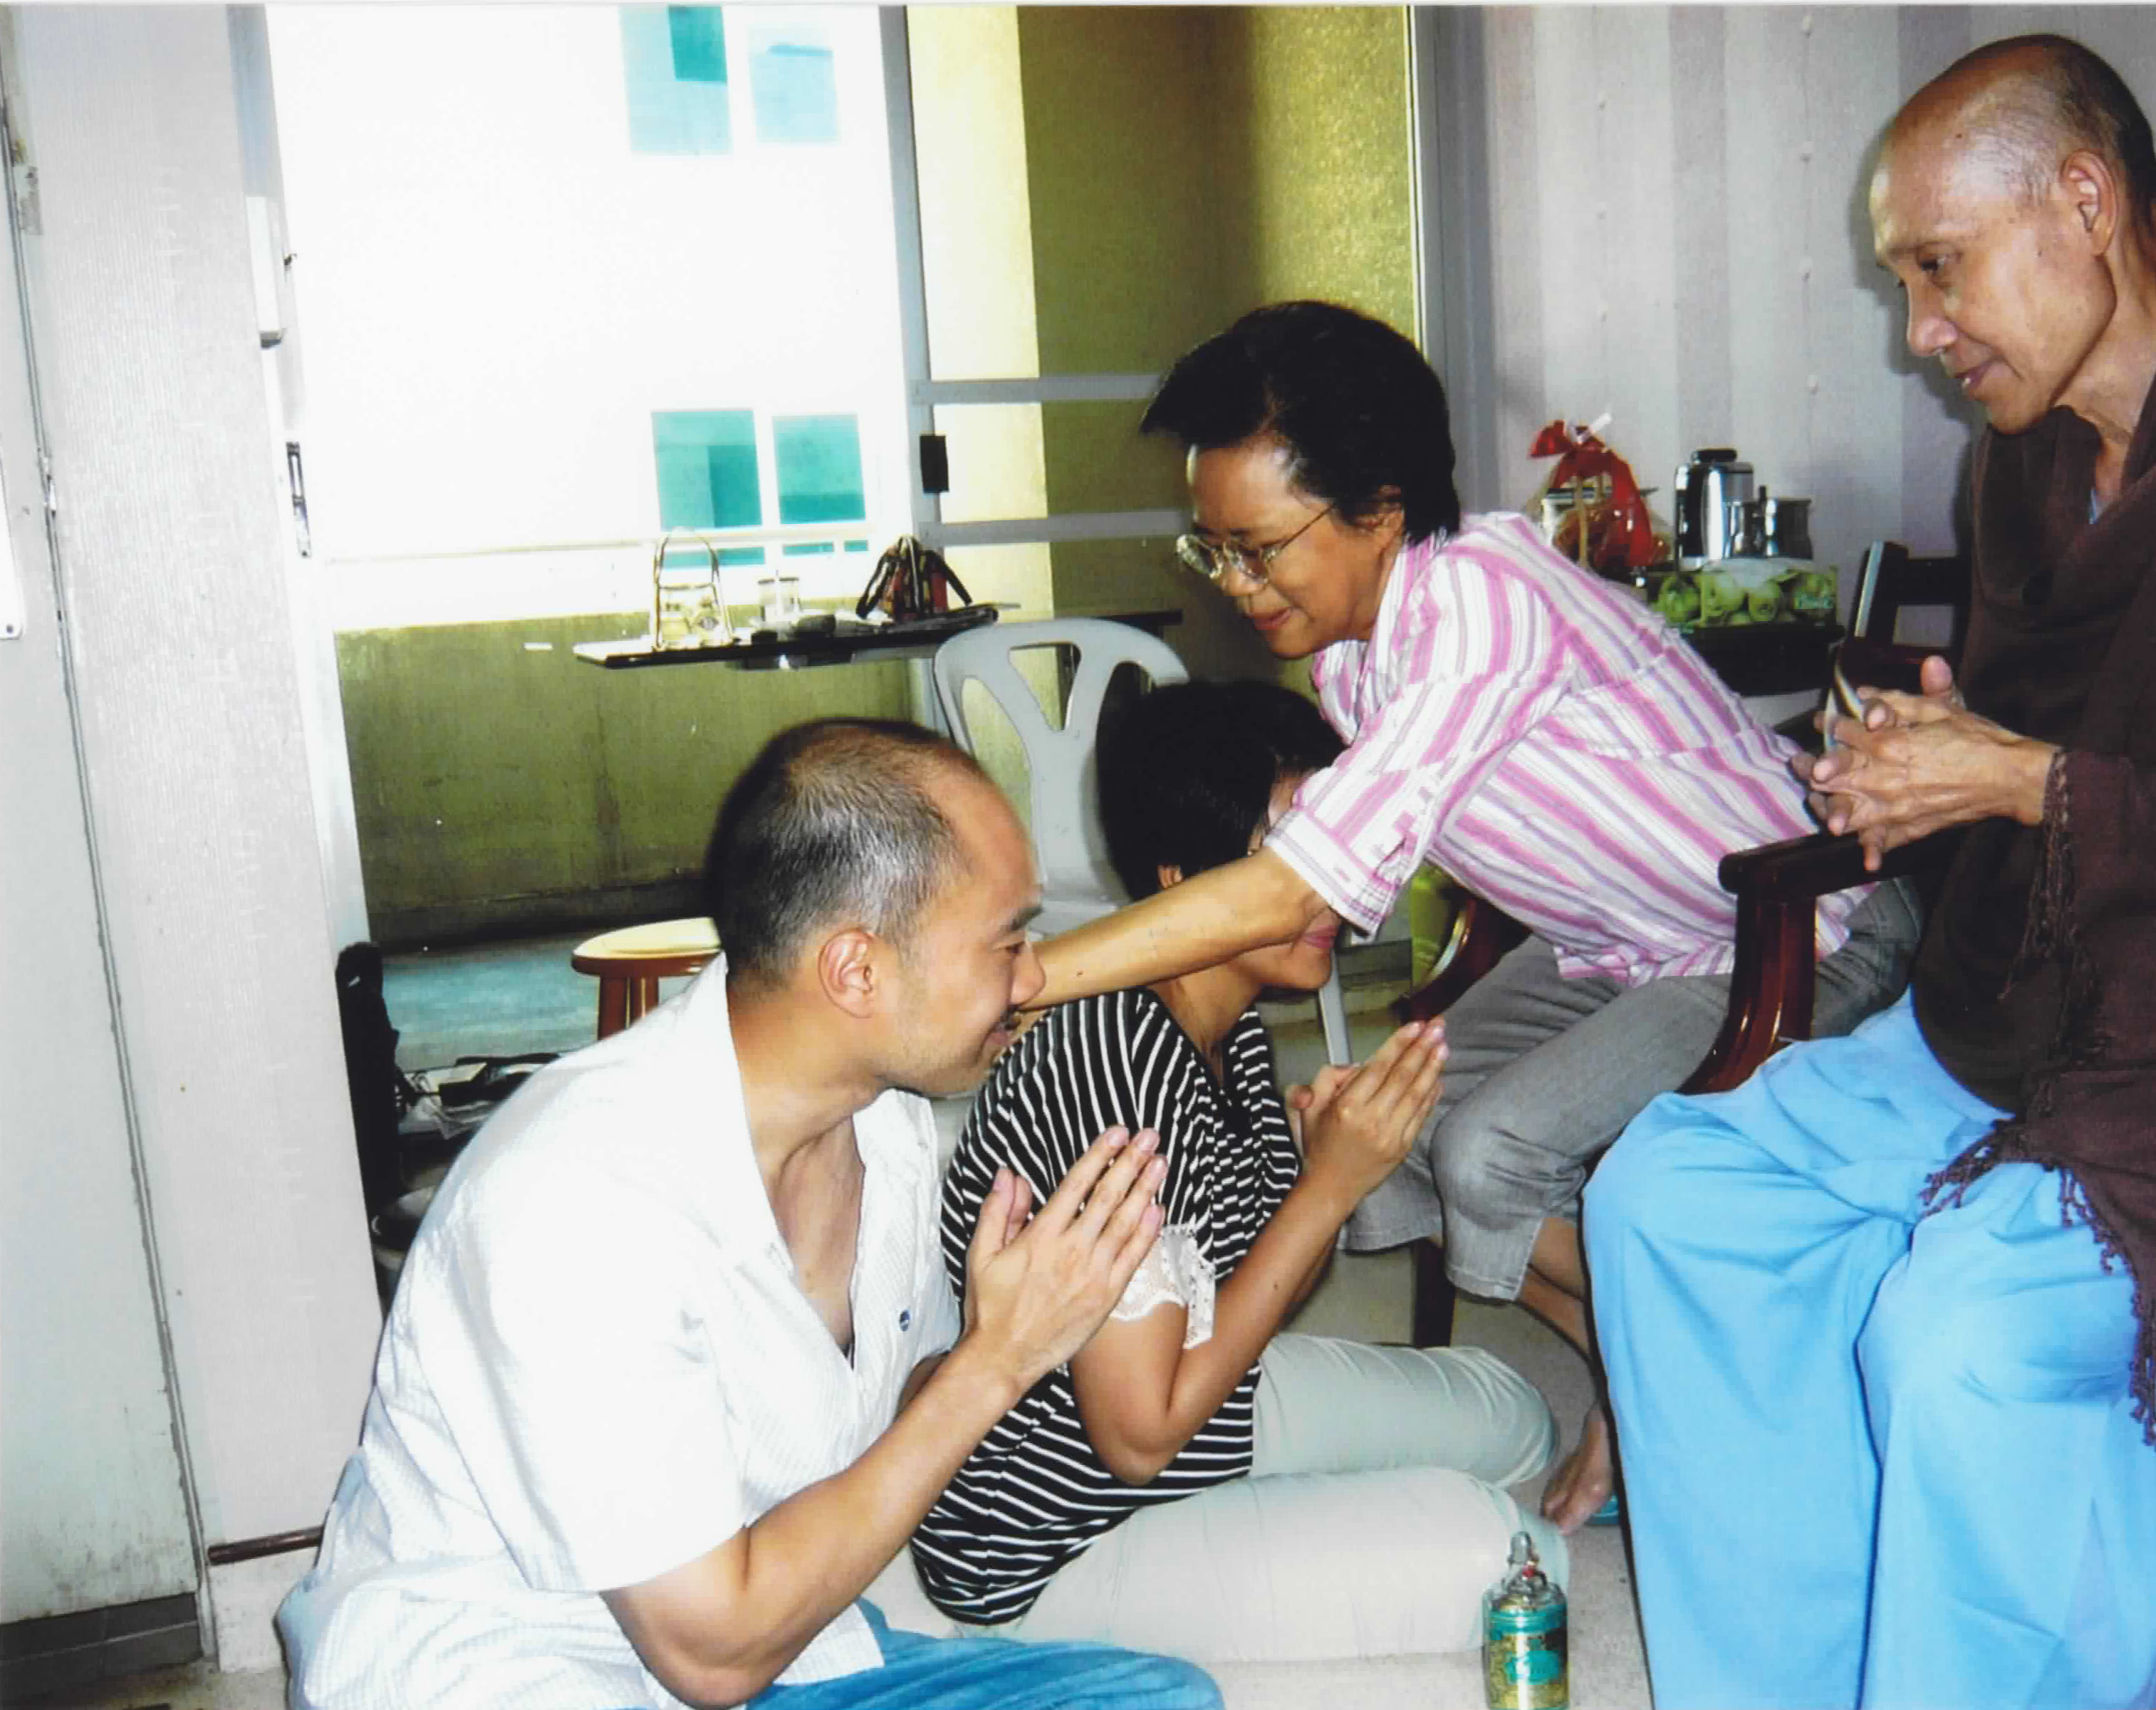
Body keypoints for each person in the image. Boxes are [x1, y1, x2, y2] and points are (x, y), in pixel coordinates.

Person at [1584, 34, 2156, 1710]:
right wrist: (1925, 779)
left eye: (1937, 267)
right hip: (2045, 1004)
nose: (1920, 331)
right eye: (1903, 283)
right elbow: (2039, 769)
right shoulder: (2018, 468)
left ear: (2084, 200)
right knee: (1668, 1195)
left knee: (1963, 1328)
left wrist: (2030, 782)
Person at [1031, 300, 1922, 1531]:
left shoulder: (1481, 603)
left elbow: (1295, 882)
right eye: (1214, 550)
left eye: (1261, 548)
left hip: (1796, 927)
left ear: (1380, 509)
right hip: (1622, 945)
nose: (1237, 583)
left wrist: (1031, 976)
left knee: (1490, 1149)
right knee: (1383, 1126)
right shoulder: (1352, 659)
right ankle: (1644, 1369)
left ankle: (1696, 1376)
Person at [279, 720, 1221, 1710]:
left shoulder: (888, 1126)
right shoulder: (574, 1203)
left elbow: (901, 1413)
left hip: (769, 1652)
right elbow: (714, 1655)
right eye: (1007, 943)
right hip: (511, 1676)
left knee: (1162, 1700)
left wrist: (1022, 1321)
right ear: (857, 970)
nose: (1032, 980)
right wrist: (997, 1363)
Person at [910, 679, 1561, 1660]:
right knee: (1516, 1556)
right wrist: (1328, 1191)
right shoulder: (1113, 1075)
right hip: (1051, 1533)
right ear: (1184, 878)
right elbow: (1139, 1435)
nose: (1331, 888)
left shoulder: (1232, 1031)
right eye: (1285, 854)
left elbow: (1250, 1300)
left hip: (1202, 1407)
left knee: (1519, 1417)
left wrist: (1319, 1179)